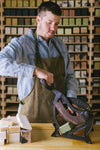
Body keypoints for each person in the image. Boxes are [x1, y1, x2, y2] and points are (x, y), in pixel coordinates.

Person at [0, 1, 78, 122]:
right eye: (49, 22)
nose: (53, 28)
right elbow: (1, 64)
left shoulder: (60, 45)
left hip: (59, 116)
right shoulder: (21, 44)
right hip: (31, 118)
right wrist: (35, 71)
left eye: (56, 24)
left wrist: (71, 100)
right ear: (38, 19)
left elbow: (70, 76)